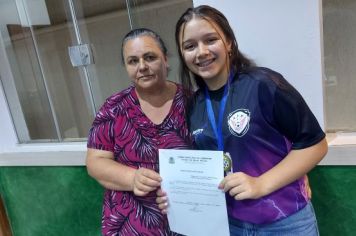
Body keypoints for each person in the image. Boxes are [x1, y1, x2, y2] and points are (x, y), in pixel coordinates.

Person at [156, 5, 328, 235]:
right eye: (190, 46)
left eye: (210, 40)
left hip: (284, 220)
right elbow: (201, 168)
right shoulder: (193, 105)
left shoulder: (263, 84)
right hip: (230, 224)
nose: (201, 52)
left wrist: (261, 184)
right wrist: (176, 195)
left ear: (228, 42)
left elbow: (315, 145)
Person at [86, 28, 191, 235]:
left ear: (166, 60)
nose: (142, 66)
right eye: (133, 61)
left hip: (187, 220)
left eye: (150, 57)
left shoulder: (192, 102)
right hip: (129, 225)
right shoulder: (114, 108)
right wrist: (132, 178)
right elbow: (95, 162)